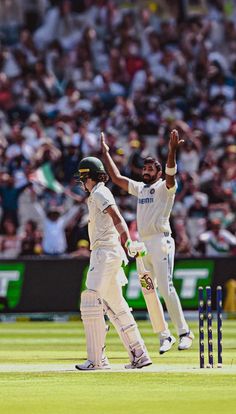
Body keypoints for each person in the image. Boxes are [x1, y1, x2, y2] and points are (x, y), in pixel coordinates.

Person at [101, 129, 194, 354]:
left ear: (159, 172)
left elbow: (171, 174)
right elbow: (116, 179)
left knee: (166, 286)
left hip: (161, 242)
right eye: (144, 168)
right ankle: (164, 335)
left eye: (150, 169)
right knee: (149, 291)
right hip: (143, 245)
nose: (145, 171)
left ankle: (184, 332)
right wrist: (105, 153)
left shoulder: (165, 188)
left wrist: (172, 151)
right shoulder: (141, 189)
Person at [74, 156, 152, 370]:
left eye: (83, 179)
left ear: (87, 176)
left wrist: (127, 241)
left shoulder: (99, 192)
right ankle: (139, 354)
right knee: (115, 305)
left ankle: (96, 361)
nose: (82, 184)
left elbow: (117, 217)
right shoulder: (97, 194)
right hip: (109, 253)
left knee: (91, 301)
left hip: (105, 253)